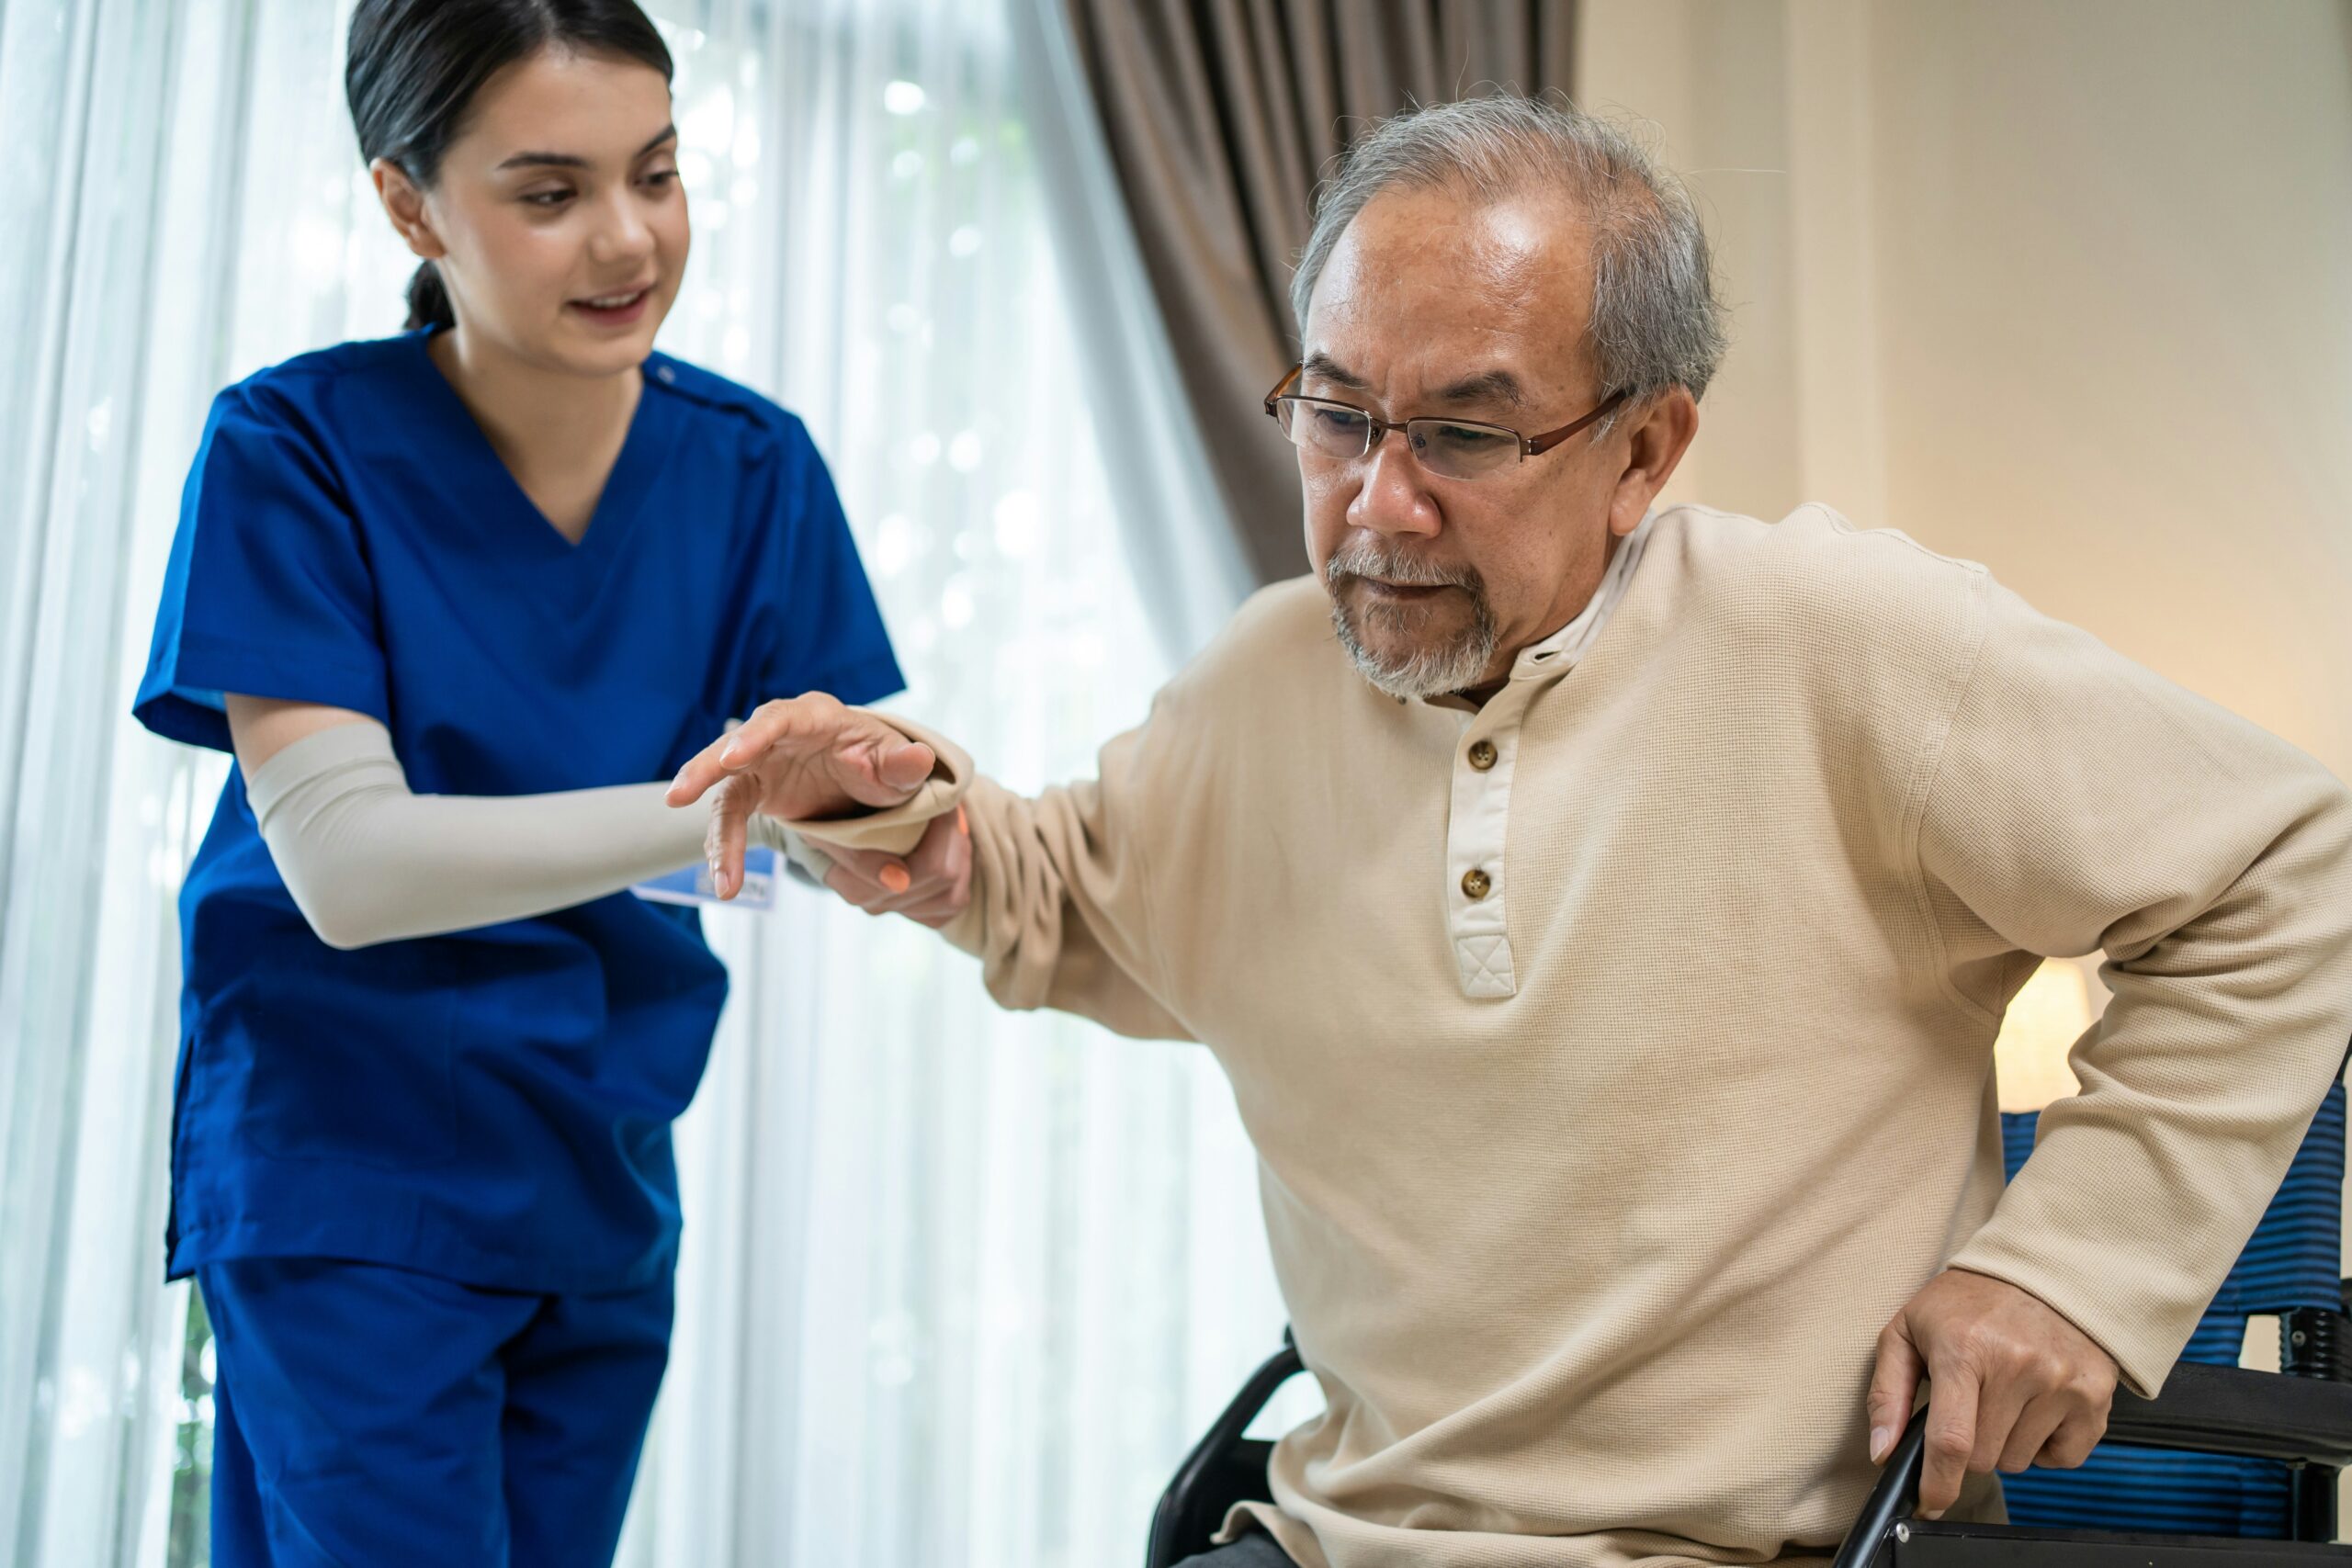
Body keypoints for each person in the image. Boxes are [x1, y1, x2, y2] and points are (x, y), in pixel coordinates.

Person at [673, 95, 2352, 1568]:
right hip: (1334, 1545)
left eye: (1467, 434)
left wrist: (2067, 1271)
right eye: (1337, 415)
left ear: (1646, 447)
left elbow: (2294, 866)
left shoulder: (1837, 643)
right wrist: (897, 802)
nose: (1378, 504)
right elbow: (1063, 892)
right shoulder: (1264, 683)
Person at [130, 2, 901, 1562]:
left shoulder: (755, 471)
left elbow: (840, 826)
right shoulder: (295, 449)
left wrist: (899, 804)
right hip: (349, 1173)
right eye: (549, 193)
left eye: (659, 173)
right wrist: (746, 804)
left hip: (601, 1174)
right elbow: (351, 872)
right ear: (408, 201)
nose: (628, 240)